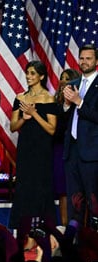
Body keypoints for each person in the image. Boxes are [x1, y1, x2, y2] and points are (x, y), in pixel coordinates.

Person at [8, 61, 57, 228]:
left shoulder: (49, 98)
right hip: (25, 148)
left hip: (42, 149)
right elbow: (13, 127)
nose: (28, 76)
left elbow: (51, 129)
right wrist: (24, 118)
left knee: (40, 186)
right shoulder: (20, 97)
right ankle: (24, 228)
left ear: (41, 77)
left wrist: (34, 114)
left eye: (33, 73)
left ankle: (42, 228)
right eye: (27, 73)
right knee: (24, 186)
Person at [62, 43, 98, 226]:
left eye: (88, 58)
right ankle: (74, 245)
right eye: (81, 58)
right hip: (72, 151)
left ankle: (93, 245)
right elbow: (65, 119)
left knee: (94, 203)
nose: (84, 62)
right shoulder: (73, 84)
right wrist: (67, 105)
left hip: (92, 154)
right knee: (74, 202)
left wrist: (79, 102)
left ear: (96, 61)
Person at [54, 68, 81, 225]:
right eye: (62, 78)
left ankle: (80, 228)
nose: (63, 81)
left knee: (77, 192)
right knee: (63, 191)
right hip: (59, 151)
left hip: (77, 150)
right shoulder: (55, 104)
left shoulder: (81, 102)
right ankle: (65, 227)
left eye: (67, 79)